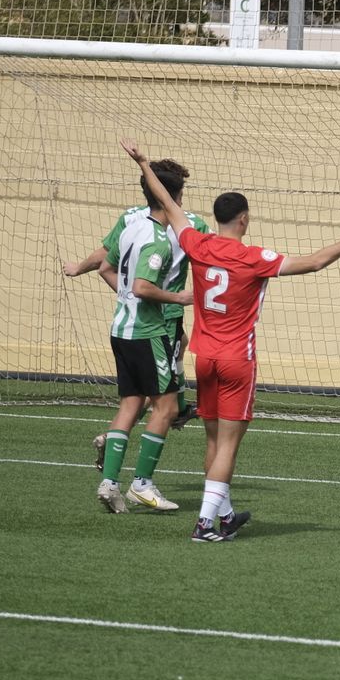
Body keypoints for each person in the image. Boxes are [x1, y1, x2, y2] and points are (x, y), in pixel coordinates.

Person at [120, 138, 340, 542]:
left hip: (204, 357)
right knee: (228, 444)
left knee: (212, 438)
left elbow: (167, 203)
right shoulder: (254, 258)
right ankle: (205, 524)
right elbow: (315, 262)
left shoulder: (198, 243)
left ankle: (223, 516)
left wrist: (143, 163)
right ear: (243, 219)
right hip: (236, 361)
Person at [64, 164, 207, 466]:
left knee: (175, 353)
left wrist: (82, 268)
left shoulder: (131, 217)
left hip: (139, 319)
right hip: (160, 318)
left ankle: (167, 413)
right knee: (156, 397)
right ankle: (135, 465)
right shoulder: (192, 224)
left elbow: (105, 256)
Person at [92, 159, 196, 513]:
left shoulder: (129, 227)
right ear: (172, 198)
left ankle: (109, 483)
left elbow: (106, 267)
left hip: (120, 328)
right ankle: (142, 484)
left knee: (131, 404)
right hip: (148, 332)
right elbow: (141, 287)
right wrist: (178, 297)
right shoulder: (159, 241)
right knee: (166, 408)